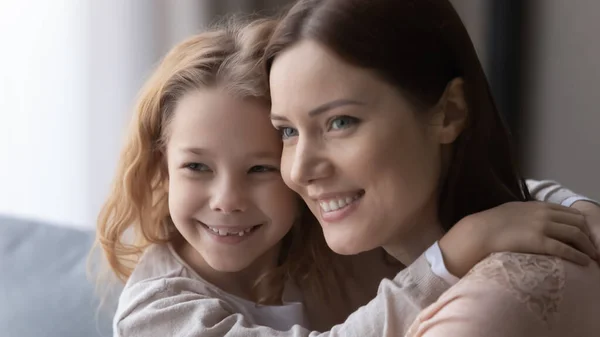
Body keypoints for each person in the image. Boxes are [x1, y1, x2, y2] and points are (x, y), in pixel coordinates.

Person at [97, 12, 598, 337]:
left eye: (261, 168)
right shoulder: (157, 315)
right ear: (159, 167)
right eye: (197, 167)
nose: (227, 199)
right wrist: (449, 257)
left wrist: (576, 209)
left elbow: (499, 192)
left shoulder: (325, 235)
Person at [265, 0, 600, 336]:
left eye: (340, 122)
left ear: (450, 112)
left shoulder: (478, 315)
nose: (299, 171)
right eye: (288, 131)